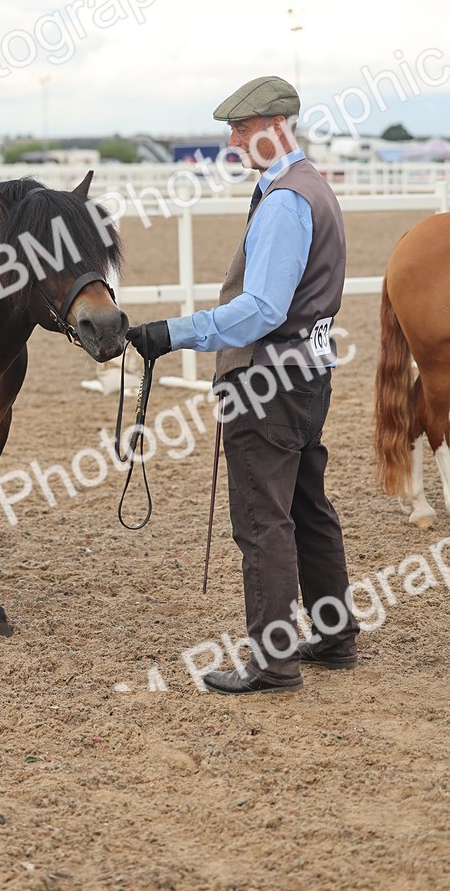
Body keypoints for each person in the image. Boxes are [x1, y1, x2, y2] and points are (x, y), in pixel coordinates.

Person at [127, 75, 359, 695]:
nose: (233, 141)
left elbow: (262, 308)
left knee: (263, 520)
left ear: (275, 126)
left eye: (242, 129)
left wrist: (174, 332)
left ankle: (272, 660)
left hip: (269, 378)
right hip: (310, 371)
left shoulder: (285, 200)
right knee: (308, 506)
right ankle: (334, 637)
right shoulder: (313, 188)